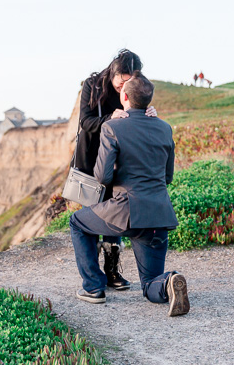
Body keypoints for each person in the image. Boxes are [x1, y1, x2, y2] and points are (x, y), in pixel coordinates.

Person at [69, 72, 189, 317]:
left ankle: (93, 288)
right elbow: (168, 177)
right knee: (149, 284)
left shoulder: (113, 127)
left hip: (124, 211)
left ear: (124, 96)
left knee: (78, 223)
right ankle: (168, 283)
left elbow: (102, 177)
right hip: (158, 214)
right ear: (149, 99)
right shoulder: (165, 128)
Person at [75, 49, 157, 291]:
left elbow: (137, 116)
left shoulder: (131, 89)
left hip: (117, 163)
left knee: (113, 222)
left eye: (129, 81)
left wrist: (147, 114)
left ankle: (112, 273)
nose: (124, 87)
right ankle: (93, 280)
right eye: (122, 80)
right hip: (91, 162)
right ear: (113, 71)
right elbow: (85, 122)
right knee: (88, 220)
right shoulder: (92, 85)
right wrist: (110, 118)